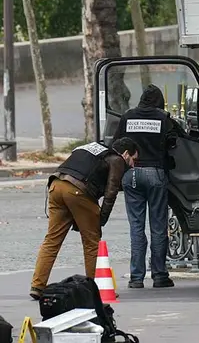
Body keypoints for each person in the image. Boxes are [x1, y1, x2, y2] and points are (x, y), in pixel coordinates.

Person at [30, 139, 139, 300]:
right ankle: (94, 288)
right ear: (125, 154)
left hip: (55, 185)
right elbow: (111, 191)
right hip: (78, 190)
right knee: (92, 242)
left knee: (52, 239)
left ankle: (37, 285)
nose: (133, 165)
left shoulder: (93, 147)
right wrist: (101, 219)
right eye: (133, 160)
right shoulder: (117, 160)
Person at [114, 84, 178, 289]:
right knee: (158, 226)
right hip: (155, 173)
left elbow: (116, 145)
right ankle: (159, 275)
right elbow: (174, 141)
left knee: (136, 226)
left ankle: (136, 278)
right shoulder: (163, 118)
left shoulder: (127, 116)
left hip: (131, 173)